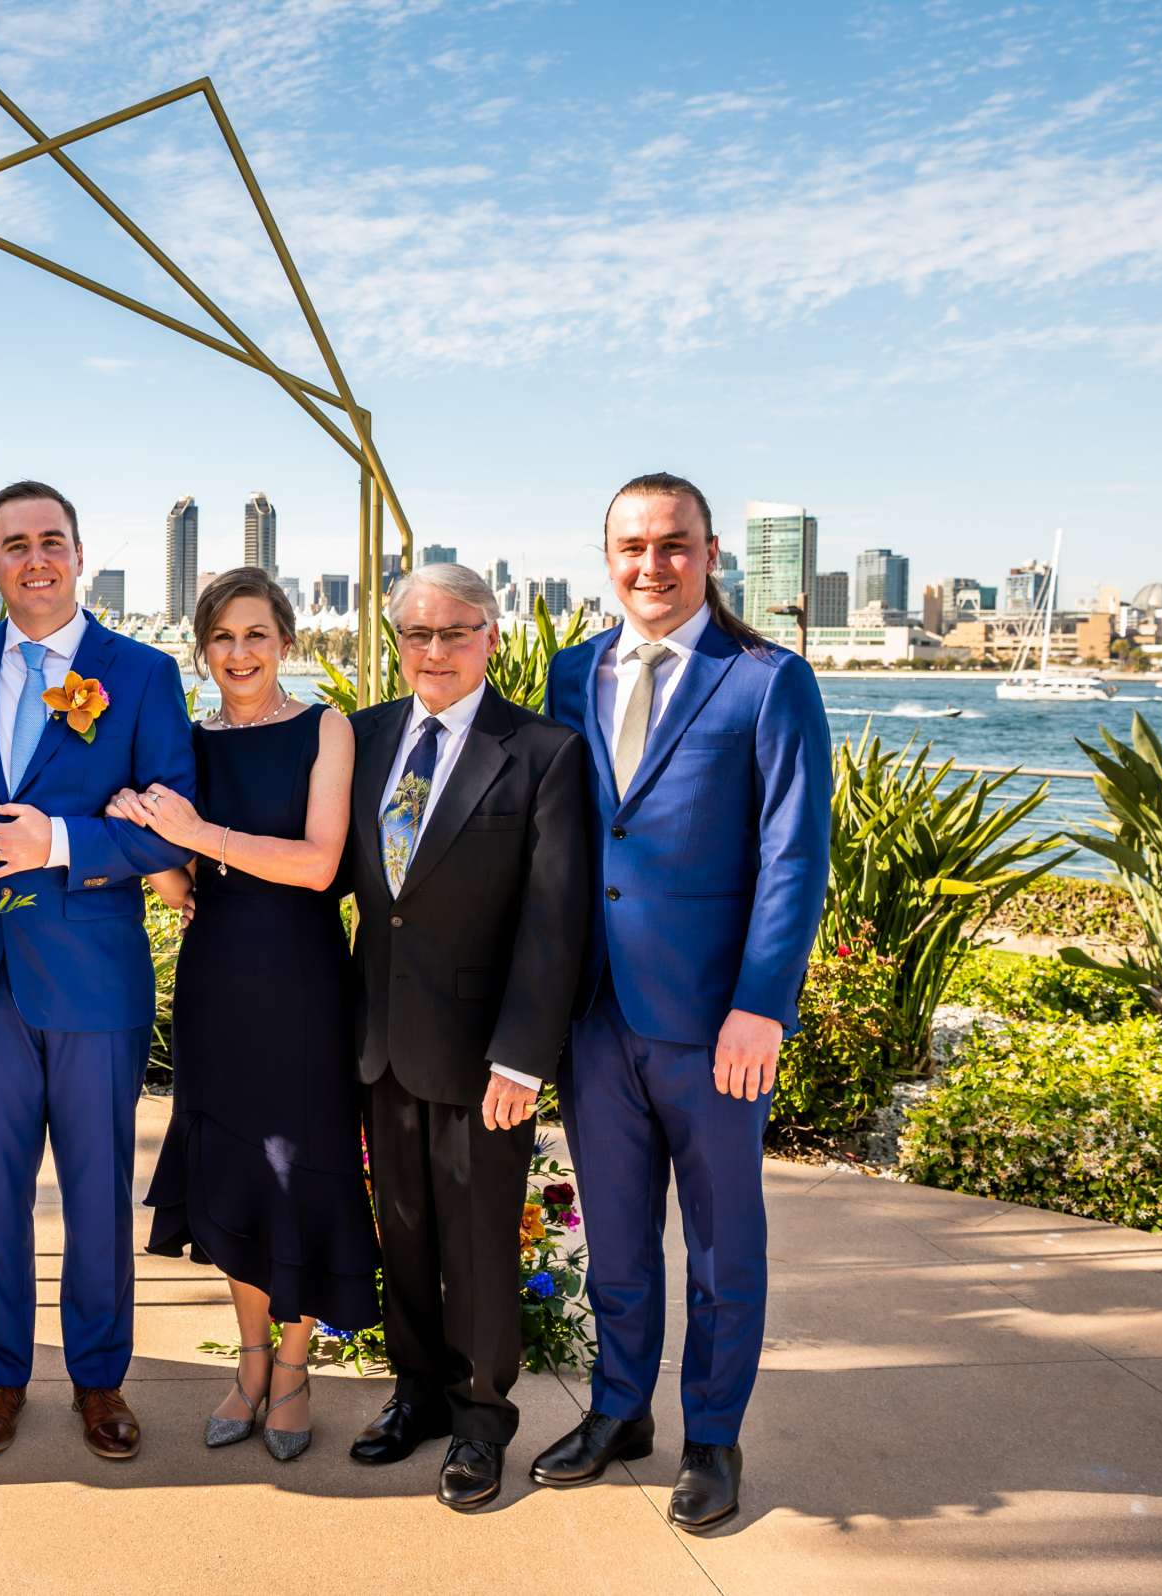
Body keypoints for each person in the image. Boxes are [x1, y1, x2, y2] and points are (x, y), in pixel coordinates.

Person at [530, 473, 830, 1531]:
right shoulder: (571, 673)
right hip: (593, 1018)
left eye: (674, 544)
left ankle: (712, 1435)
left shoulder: (766, 680)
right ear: (604, 557)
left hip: (713, 1026)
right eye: (631, 547)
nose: (651, 565)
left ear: (709, 554)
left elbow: (795, 856)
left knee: (720, 1246)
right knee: (614, 1241)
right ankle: (621, 1412)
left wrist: (763, 1003)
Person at [0, 480, 197, 1462]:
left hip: (94, 979)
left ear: (79, 554)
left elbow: (172, 819)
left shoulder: (143, 672)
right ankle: (1, 1371)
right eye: (13, 544)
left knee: (94, 1194)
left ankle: (98, 1379)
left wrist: (63, 840)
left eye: (50, 541)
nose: (33, 558)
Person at [104, 567, 374, 1463]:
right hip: (215, 976)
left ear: (286, 641)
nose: (239, 653)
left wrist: (197, 835)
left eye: (256, 634)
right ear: (203, 650)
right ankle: (251, 1361)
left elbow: (319, 865)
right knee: (235, 1166)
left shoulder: (324, 729)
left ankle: (296, 1368)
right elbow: (177, 880)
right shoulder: (189, 740)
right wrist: (142, 828)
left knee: (299, 1169)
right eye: (221, 637)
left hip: (300, 978)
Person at [339, 563, 591, 1510]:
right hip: (381, 1036)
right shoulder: (360, 739)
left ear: (491, 636)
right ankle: (417, 1395)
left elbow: (554, 919)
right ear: (397, 640)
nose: (433, 651)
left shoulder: (539, 751)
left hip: (486, 1051)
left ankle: (482, 1420)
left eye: (454, 633)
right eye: (416, 634)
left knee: (480, 1243)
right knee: (401, 1231)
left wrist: (524, 1055)